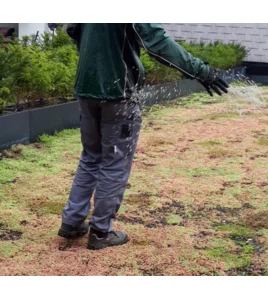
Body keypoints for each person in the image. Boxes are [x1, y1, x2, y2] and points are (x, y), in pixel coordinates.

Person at [58, 23, 229, 250]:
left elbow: (72, 28)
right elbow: (157, 42)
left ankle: (72, 222)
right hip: (118, 92)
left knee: (91, 156)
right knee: (115, 162)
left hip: (86, 88)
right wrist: (202, 72)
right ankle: (101, 232)